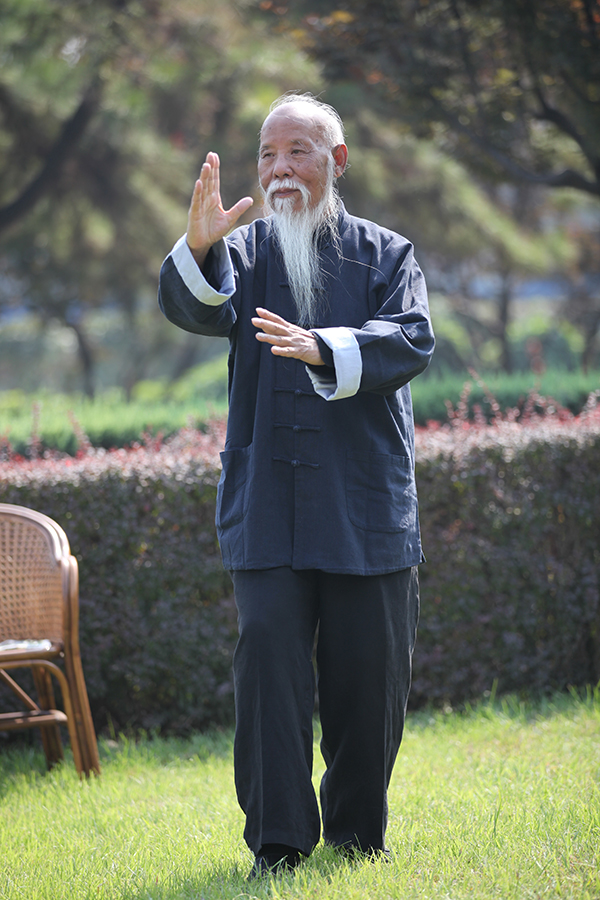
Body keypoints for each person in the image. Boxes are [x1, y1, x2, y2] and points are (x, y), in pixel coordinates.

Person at [158, 92, 435, 877]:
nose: (279, 168)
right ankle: (277, 845)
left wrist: (323, 347)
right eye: (267, 154)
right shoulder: (242, 254)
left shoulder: (388, 255)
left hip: (365, 505)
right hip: (267, 506)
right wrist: (199, 248)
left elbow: (413, 339)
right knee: (268, 675)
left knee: (369, 681)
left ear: (336, 161)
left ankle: (357, 837)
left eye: (298, 151)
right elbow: (193, 307)